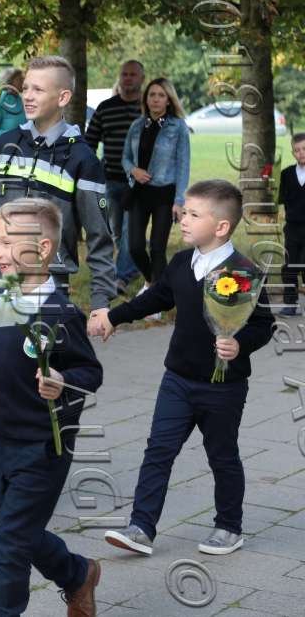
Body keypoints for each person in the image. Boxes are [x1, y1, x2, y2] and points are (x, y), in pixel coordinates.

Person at [92, 180, 274, 558]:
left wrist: (239, 344)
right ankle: (141, 527)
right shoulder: (180, 263)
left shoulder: (242, 271)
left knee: (221, 456)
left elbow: (263, 325)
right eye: (184, 212)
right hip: (177, 379)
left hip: (223, 387)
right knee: (158, 450)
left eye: (193, 214)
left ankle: (229, 526)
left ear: (221, 226)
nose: (182, 219)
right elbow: (155, 299)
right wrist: (113, 316)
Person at [0, 199, 103, 617]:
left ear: (42, 249)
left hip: (42, 447)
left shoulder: (61, 313)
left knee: (10, 543)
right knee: (17, 530)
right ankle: (77, 574)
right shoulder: (0, 303)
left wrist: (62, 379)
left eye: (6, 243)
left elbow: (90, 372)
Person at [0, 55, 116, 354]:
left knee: (34, 369)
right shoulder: (3, 144)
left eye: (38, 89)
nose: (28, 96)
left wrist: (101, 302)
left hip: (48, 287)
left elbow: (99, 237)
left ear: (63, 97)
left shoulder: (83, 159)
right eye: (25, 88)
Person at [122, 78, 190, 292]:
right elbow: (125, 157)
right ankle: (153, 281)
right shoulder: (137, 125)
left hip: (165, 195)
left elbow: (183, 165)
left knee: (157, 249)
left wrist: (179, 201)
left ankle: (157, 296)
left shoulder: (178, 127)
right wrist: (133, 170)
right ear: (146, 98)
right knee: (134, 247)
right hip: (139, 194)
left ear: (169, 100)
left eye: (161, 95)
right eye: (152, 94)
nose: (156, 99)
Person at [85, 60, 146, 293]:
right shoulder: (106, 108)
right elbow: (90, 142)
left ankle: (120, 278)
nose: (128, 78)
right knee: (117, 231)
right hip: (110, 180)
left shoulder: (148, 108)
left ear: (142, 78)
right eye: (124, 74)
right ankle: (134, 263)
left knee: (130, 232)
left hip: (139, 183)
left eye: (132, 74)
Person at [276, 132, 305, 316]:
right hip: (293, 228)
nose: (301, 153)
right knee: (290, 267)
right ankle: (290, 303)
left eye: (304, 149)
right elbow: (279, 198)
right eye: (297, 150)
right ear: (293, 152)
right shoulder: (286, 174)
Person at [0, 67, 26, 139]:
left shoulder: (20, 100)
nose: (23, 81)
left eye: (23, 78)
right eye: (19, 79)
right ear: (9, 81)